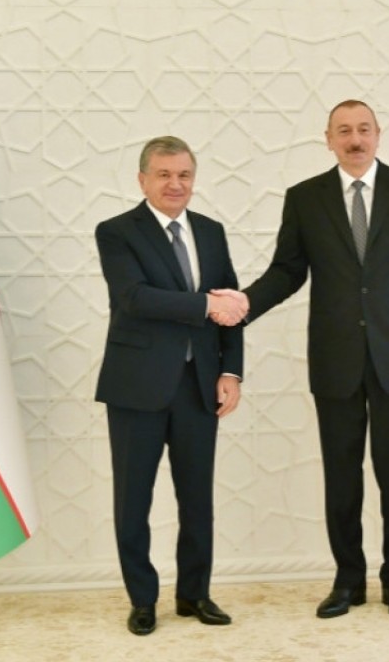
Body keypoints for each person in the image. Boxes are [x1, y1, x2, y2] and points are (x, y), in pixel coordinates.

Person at [214, 100, 389, 620]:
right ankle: (348, 581)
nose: (355, 139)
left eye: (364, 129)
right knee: (341, 478)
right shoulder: (305, 198)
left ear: (378, 134)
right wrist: (244, 304)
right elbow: (287, 271)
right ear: (328, 139)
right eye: (343, 130)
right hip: (335, 358)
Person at [94, 136, 248, 636]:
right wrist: (205, 306)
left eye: (183, 174)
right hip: (136, 387)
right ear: (143, 180)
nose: (175, 184)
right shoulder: (116, 232)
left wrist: (231, 371)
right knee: (133, 500)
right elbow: (134, 297)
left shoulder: (211, 231)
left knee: (197, 498)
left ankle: (194, 594)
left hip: (199, 386)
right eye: (163, 174)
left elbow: (231, 306)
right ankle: (143, 600)